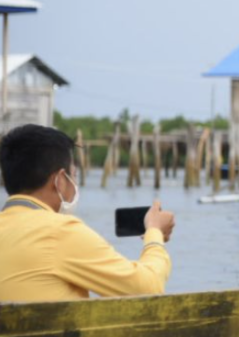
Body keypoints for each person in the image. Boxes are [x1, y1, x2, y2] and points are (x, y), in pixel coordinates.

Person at [0, 124, 176, 302]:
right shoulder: (59, 232)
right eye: (74, 175)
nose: (75, 183)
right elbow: (149, 288)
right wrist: (155, 232)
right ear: (60, 180)